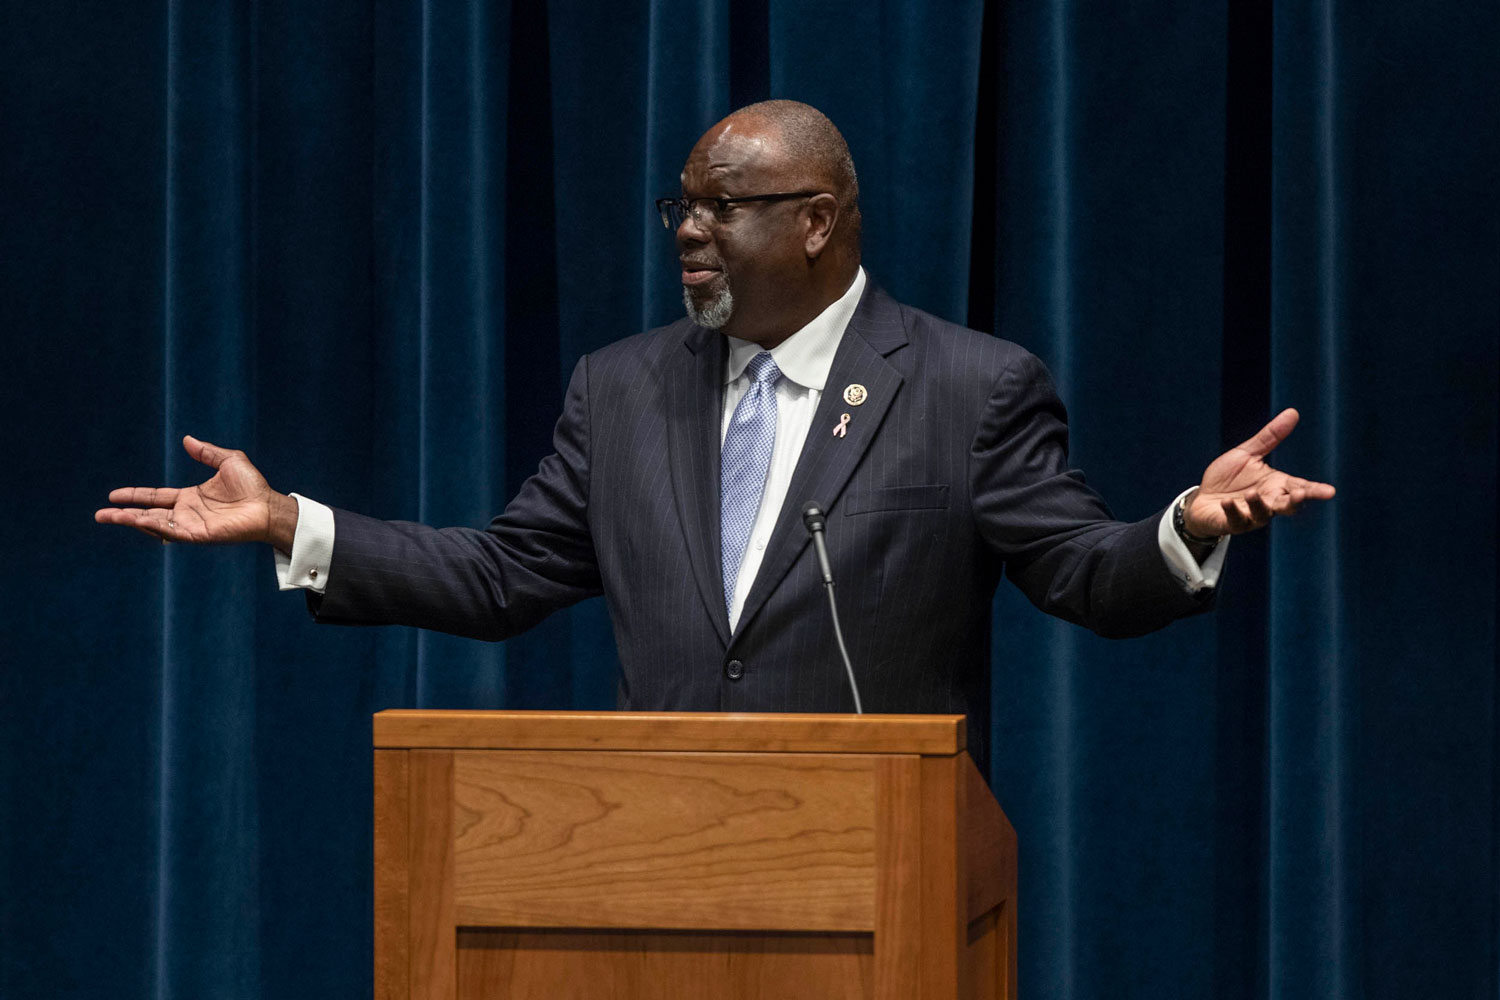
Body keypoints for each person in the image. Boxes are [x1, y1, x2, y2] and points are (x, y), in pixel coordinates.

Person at [96, 100, 1334, 765]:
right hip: (660, 851)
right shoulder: (622, 387)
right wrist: (294, 525)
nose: (687, 232)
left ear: (819, 222)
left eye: (721, 208)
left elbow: (1078, 570)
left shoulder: (970, 386)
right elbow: (505, 572)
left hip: (873, 859)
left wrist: (1180, 527)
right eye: (679, 207)